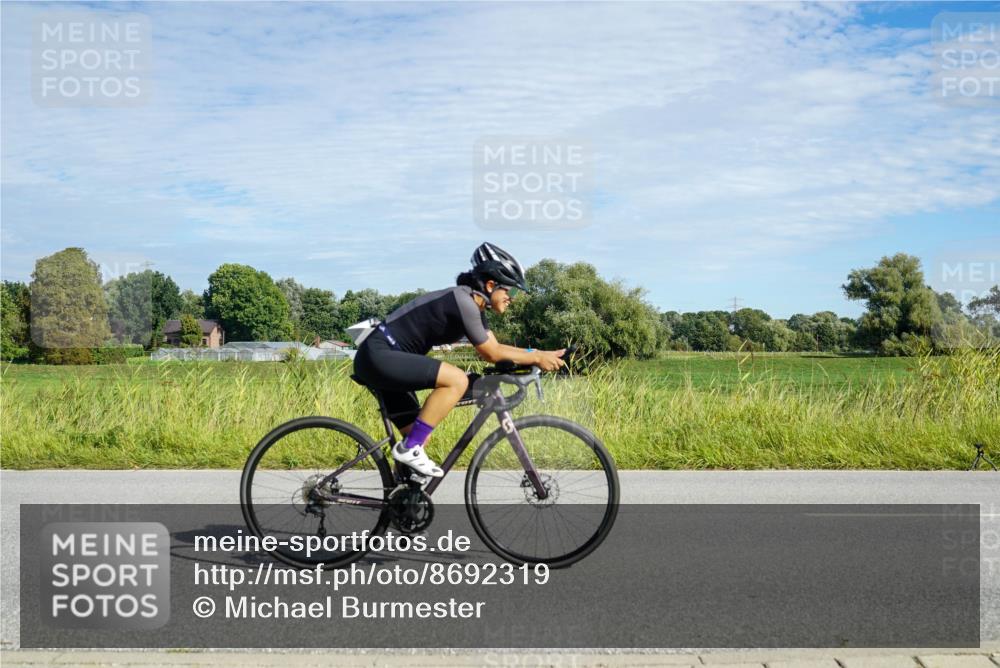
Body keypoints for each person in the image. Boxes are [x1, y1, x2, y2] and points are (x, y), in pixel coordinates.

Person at [352, 242, 566, 477]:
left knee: (420, 432)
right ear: (491, 285)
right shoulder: (462, 300)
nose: (513, 298)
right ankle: (410, 449)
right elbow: (491, 353)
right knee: (456, 380)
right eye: (511, 291)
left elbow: (495, 347)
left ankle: (402, 502)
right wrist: (535, 356)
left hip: (385, 358)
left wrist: (536, 355)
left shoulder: (475, 307)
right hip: (380, 355)